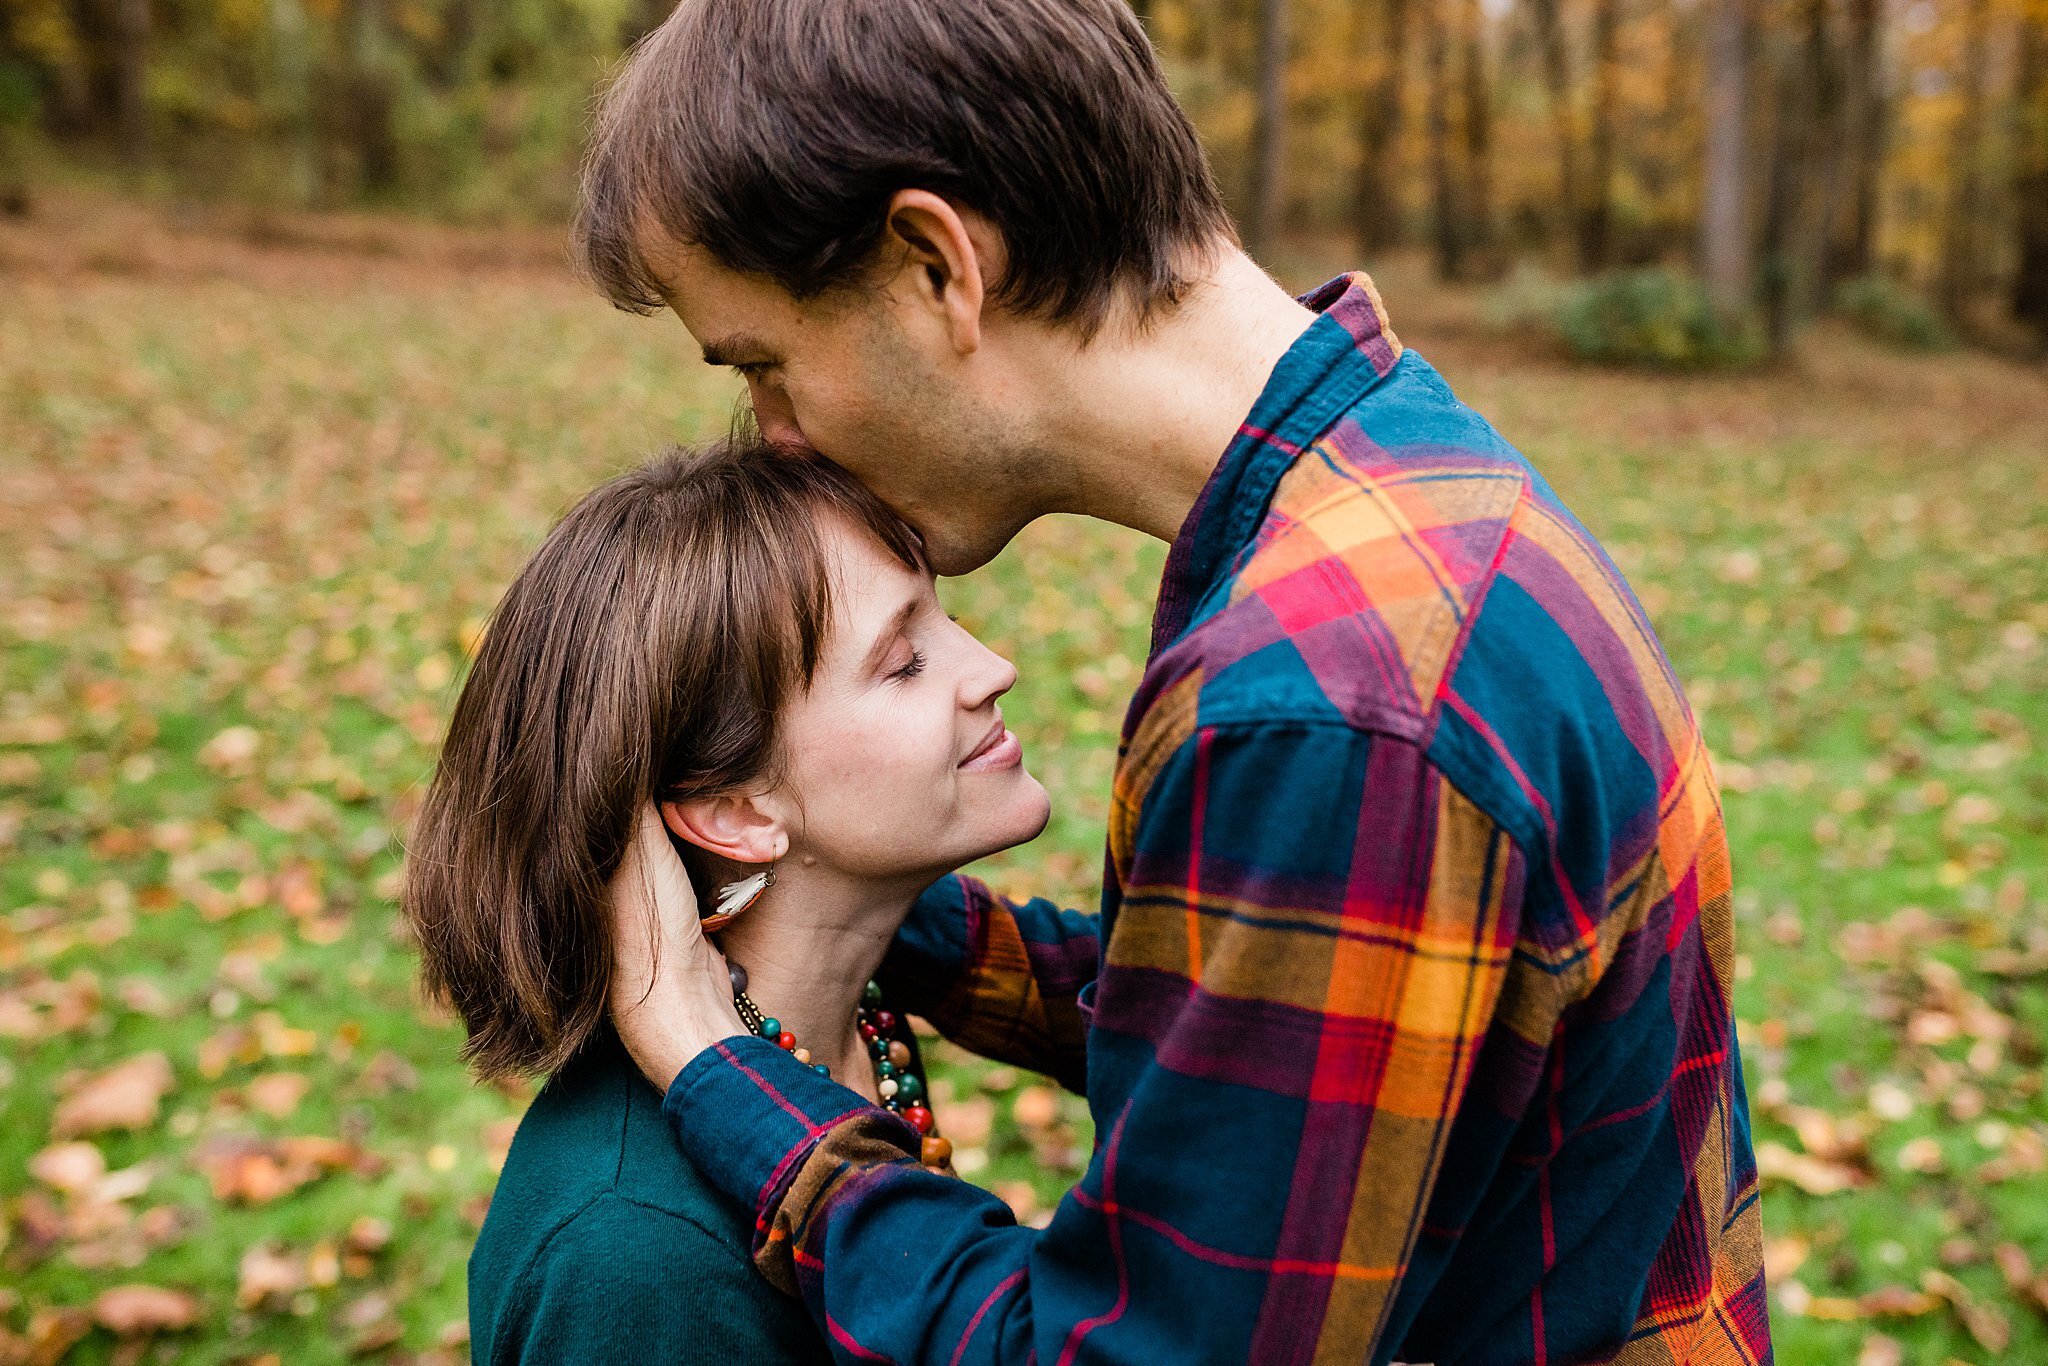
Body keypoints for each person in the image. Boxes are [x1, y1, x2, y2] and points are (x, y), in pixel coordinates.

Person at [583, 1, 1772, 1362]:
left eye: (763, 364)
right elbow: (1270, 1053)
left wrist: (726, 1076)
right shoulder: (1405, 480)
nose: (777, 442)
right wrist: (864, 902)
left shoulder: (1325, 702)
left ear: (934, 264)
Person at [402, 446, 1055, 1364]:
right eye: (904, 660)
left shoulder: (842, 1014)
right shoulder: (632, 1262)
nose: (994, 667)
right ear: (736, 813)